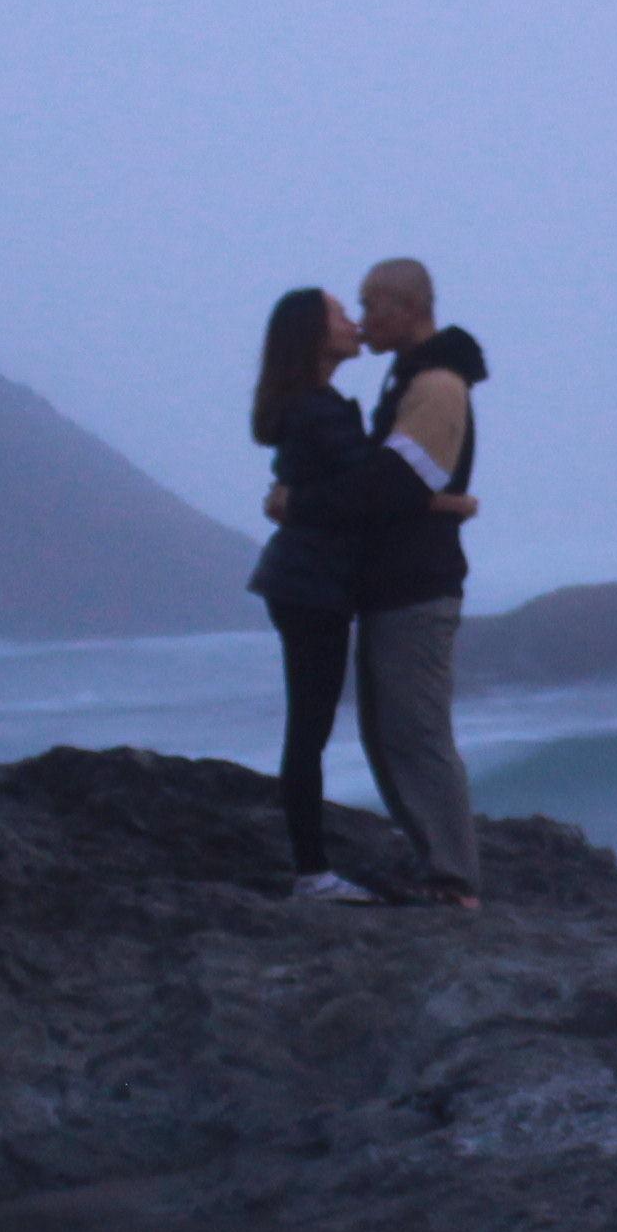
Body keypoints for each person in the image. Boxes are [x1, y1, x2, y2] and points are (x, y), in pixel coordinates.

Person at [346, 256, 489, 908]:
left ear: (410, 308)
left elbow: (398, 483)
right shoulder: (410, 378)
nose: (363, 319)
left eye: (373, 305)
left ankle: (453, 878)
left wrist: (315, 494)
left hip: (418, 582)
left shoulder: (435, 383)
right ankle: (436, 864)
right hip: (396, 579)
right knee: (389, 729)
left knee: (417, 730)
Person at [246, 284, 384, 899]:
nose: (354, 322)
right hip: (310, 584)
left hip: (303, 581)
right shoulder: (316, 410)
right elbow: (370, 490)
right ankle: (312, 872)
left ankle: (313, 866)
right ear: (312, 334)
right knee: (309, 728)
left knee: (312, 724)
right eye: (339, 314)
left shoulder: (311, 404)